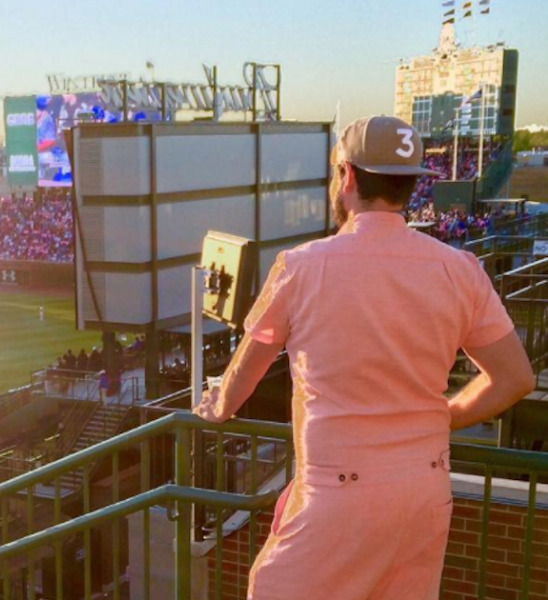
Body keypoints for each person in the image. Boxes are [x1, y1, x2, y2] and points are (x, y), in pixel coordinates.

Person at [193, 116, 534, 600]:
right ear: (410, 185)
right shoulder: (460, 268)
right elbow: (515, 378)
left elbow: (246, 368)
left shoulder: (300, 266)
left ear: (347, 176)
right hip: (424, 490)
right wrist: (444, 415)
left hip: (337, 492)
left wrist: (218, 406)